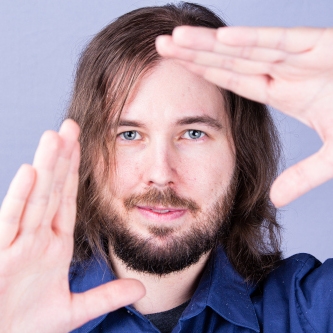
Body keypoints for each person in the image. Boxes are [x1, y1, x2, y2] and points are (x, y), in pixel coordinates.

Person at [0, 2, 332, 333]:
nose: (160, 173)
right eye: (129, 134)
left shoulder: (309, 308)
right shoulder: (15, 310)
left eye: (193, 134)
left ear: (241, 153)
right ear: (88, 154)